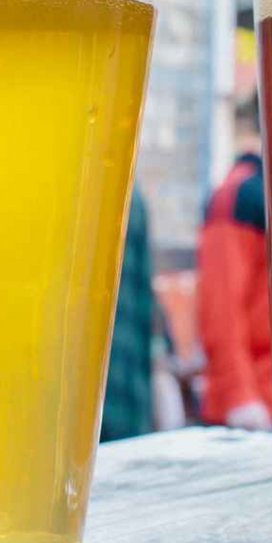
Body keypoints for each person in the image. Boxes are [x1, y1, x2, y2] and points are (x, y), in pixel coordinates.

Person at [196, 97, 272, 430]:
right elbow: (221, 303)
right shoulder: (240, 194)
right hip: (249, 412)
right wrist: (240, 397)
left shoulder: (271, 189)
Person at [100, 187, 162, 442]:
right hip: (125, 389)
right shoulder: (131, 196)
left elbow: (145, 297)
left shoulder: (129, 197)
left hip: (120, 385)